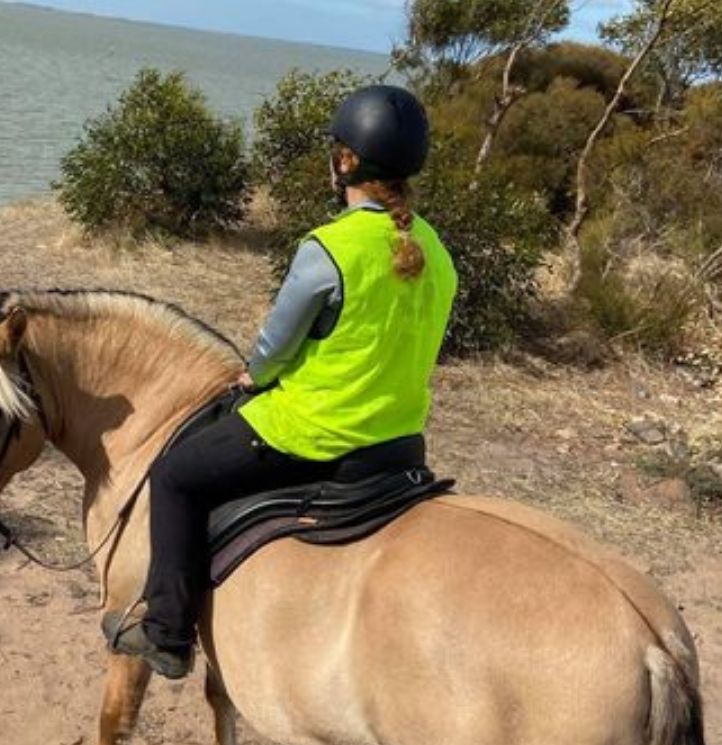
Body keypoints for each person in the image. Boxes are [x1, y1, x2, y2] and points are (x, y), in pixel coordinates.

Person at [106, 85, 458, 679]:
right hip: (397, 442)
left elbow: (274, 346)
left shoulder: (329, 248)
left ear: (344, 162)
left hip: (314, 435)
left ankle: (166, 631)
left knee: (176, 475)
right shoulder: (438, 253)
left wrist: (256, 372)